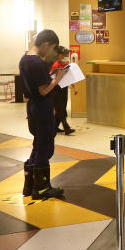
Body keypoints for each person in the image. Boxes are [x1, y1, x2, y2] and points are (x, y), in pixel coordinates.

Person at [19, 29, 68, 200]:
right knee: (45, 146)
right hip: (41, 107)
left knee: (38, 144)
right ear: (46, 44)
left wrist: (50, 77)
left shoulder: (24, 59)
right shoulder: (36, 63)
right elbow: (43, 90)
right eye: (52, 48)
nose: (51, 52)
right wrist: (58, 78)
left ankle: (30, 185)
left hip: (32, 107)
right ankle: (41, 188)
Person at [50, 46, 76, 136]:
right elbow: (50, 77)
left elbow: (69, 77)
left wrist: (74, 87)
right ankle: (66, 127)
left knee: (61, 108)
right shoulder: (54, 64)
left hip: (64, 88)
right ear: (59, 54)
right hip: (56, 88)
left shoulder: (65, 64)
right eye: (64, 54)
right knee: (60, 109)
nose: (65, 56)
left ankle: (54, 128)